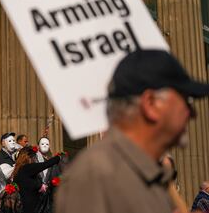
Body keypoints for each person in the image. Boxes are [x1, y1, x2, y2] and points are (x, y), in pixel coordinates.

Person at [55, 49, 209, 213]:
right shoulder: (97, 174)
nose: (193, 113)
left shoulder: (148, 175)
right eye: (186, 100)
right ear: (151, 104)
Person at [12, 146, 60, 213]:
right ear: (29, 157)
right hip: (32, 208)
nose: (35, 159)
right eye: (34, 157)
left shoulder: (18, 170)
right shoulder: (28, 168)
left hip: (23, 207)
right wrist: (58, 157)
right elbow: (45, 164)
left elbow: (28, 185)